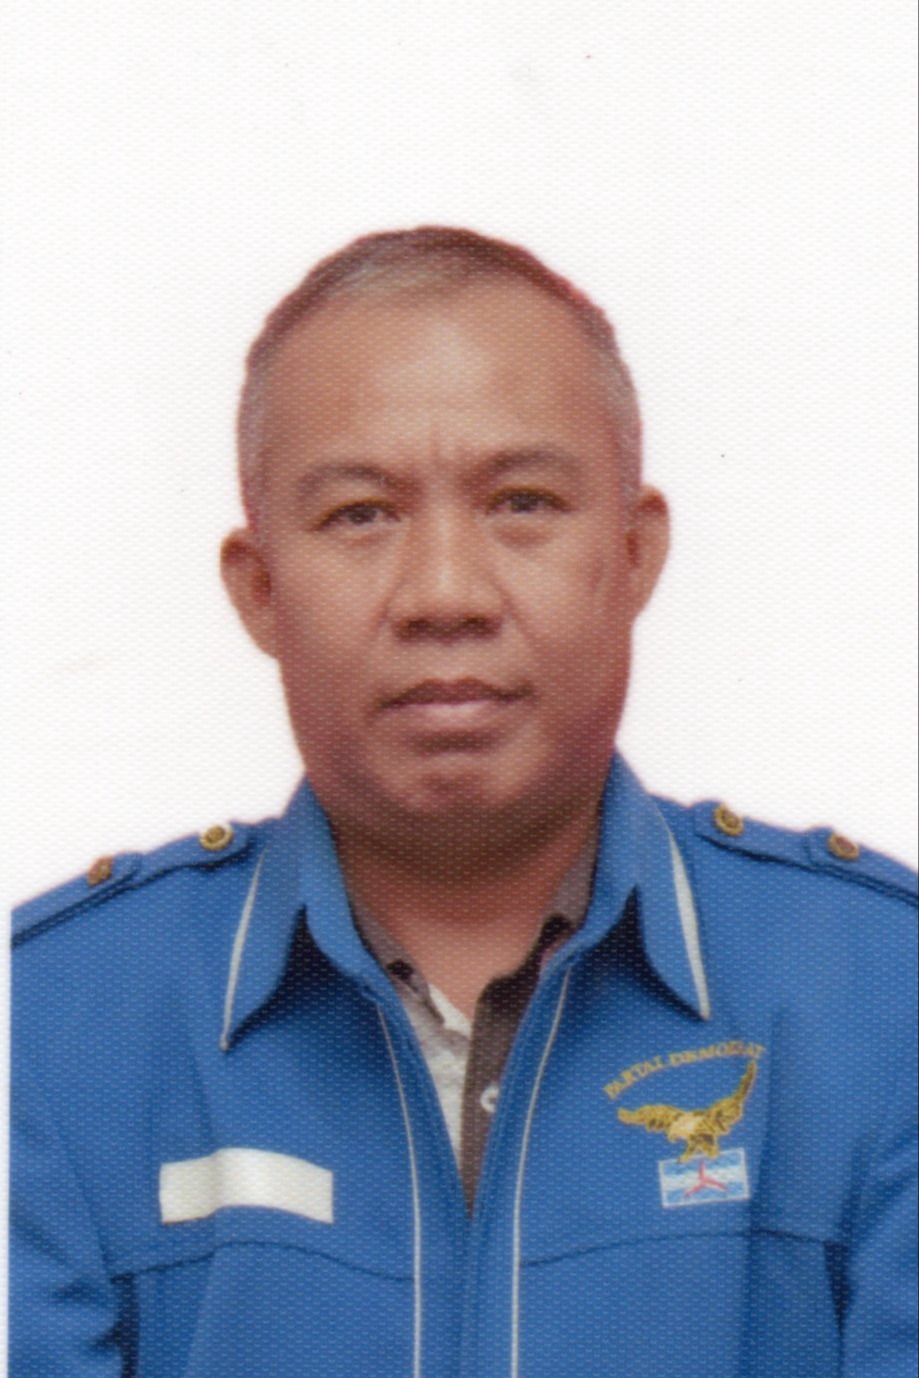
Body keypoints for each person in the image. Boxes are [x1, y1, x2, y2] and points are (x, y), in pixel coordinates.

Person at [11, 227, 916, 1378]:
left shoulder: (882, 998)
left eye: (522, 502)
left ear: (634, 554)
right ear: (259, 589)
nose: (445, 592)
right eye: (361, 514)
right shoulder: (47, 1029)